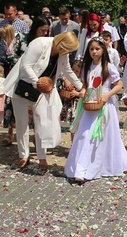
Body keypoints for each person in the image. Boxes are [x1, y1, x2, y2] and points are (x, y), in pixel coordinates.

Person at [13, 32, 82, 170]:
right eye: (68, 49)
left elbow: (67, 70)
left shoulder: (63, 53)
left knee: (42, 122)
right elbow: (26, 66)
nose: (69, 52)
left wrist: (81, 86)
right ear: (62, 44)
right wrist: (38, 82)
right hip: (24, 85)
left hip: (45, 91)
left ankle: (42, 157)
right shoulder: (40, 43)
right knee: (22, 123)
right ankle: (23, 155)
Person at [66, 37, 127, 183]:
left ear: (103, 50)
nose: (94, 52)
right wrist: (82, 91)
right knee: (84, 135)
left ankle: (103, 165)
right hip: (89, 105)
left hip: (104, 105)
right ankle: (81, 168)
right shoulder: (87, 67)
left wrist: (107, 95)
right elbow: (84, 85)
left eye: (97, 49)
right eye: (91, 49)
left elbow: (119, 84)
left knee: (103, 135)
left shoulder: (108, 67)